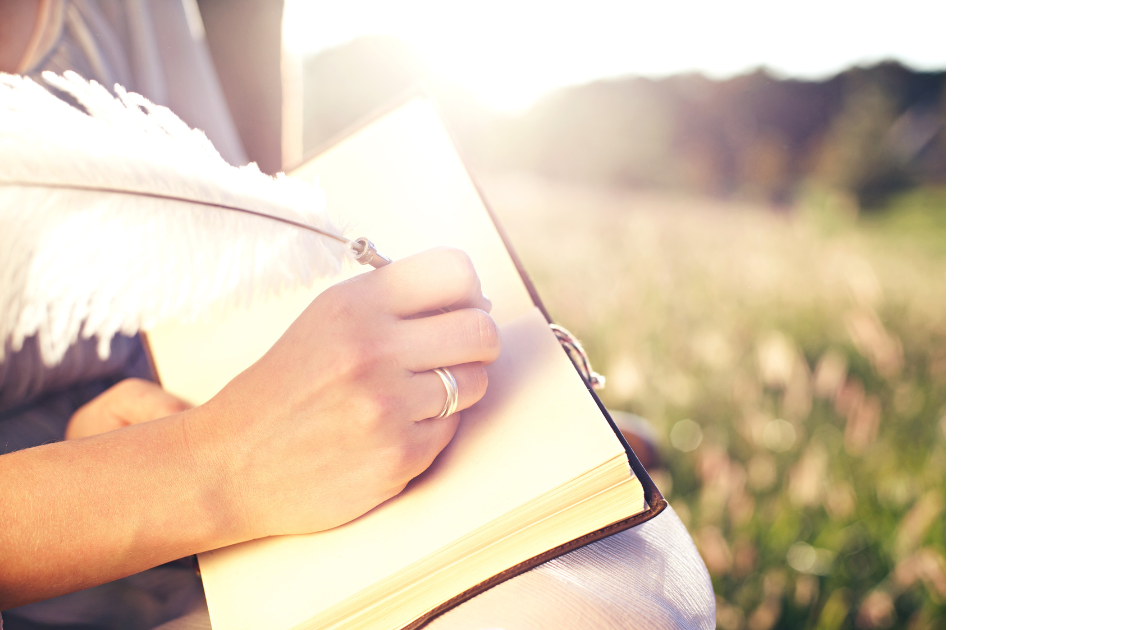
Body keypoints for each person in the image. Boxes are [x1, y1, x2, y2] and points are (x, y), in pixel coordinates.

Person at [0, 2, 715, 629]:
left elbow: (254, 204)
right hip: (96, 542)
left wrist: (346, 397)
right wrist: (213, 461)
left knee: (616, 606)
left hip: (226, 475)